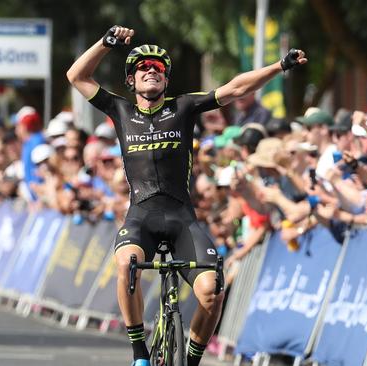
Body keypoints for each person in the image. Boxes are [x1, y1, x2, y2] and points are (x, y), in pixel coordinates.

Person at [66, 25, 307, 366]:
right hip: (141, 217)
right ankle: (139, 354)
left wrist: (278, 67)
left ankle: (192, 359)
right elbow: (76, 75)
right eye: (143, 68)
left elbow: (237, 87)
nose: (152, 70)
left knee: (212, 292)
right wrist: (106, 42)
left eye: (159, 68)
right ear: (131, 81)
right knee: (126, 264)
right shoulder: (120, 111)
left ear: (166, 80)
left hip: (181, 219)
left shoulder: (184, 108)